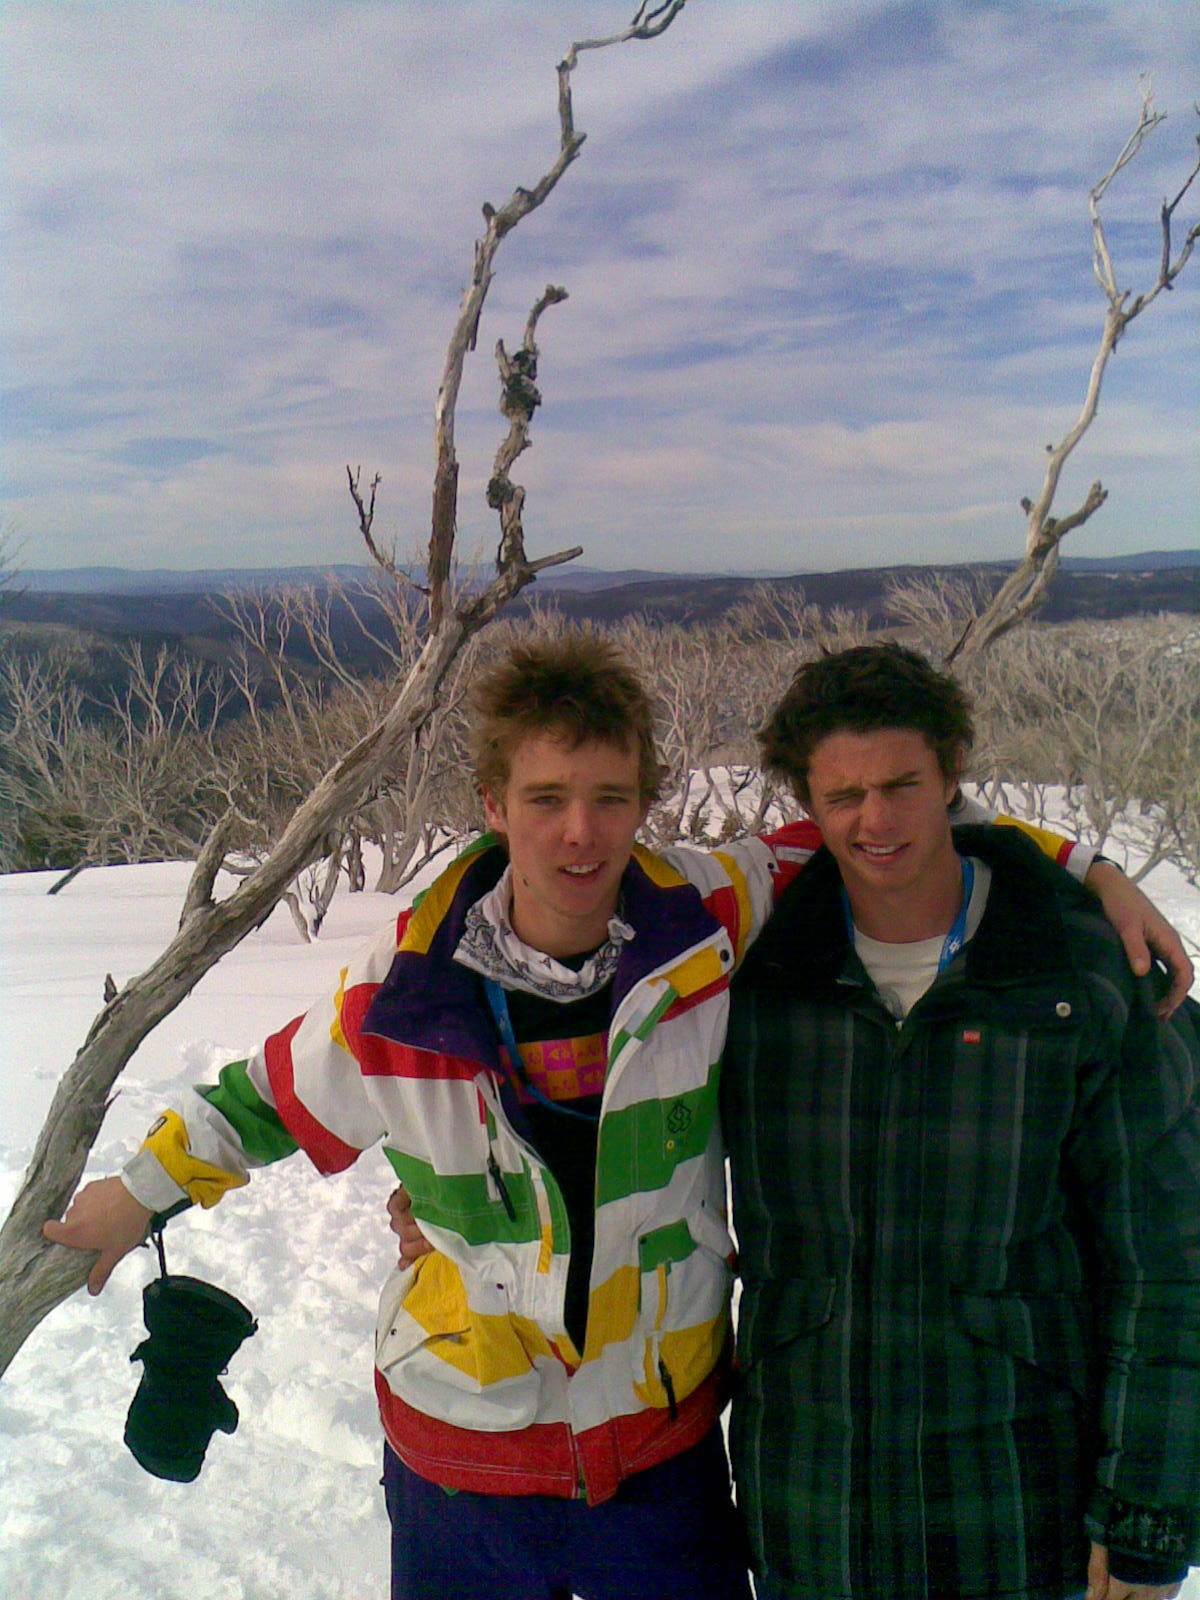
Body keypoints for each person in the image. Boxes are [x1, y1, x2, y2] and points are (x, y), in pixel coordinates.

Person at [45, 636, 1191, 1600]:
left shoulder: (710, 917)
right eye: (545, 800)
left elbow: (886, 819)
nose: (579, 835)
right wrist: (128, 1196)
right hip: (462, 1449)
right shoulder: (401, 997)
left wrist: (1084, 865)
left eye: (609, 799)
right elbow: (252, 1103)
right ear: (494, 805)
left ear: (647, 804)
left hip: (661, 1447)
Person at [720, 643, 1200, 1600]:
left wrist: (1146, 1518)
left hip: (1021, 1505)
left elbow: (1174, 1261)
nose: (877, 818)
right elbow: (598, 1098)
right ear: (808, 805)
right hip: (812, 1508)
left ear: (952, 778)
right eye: (844, 793)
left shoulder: (1080, 973)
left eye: (903, 783)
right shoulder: (752, 973)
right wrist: (449, 1194)